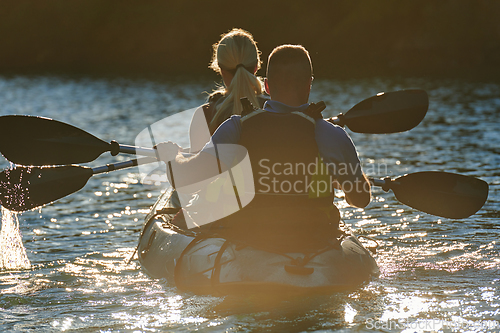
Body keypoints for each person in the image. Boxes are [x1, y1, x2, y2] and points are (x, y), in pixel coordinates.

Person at [158, 44, 371, 252]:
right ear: (309, 84)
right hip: (314, 242)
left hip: (251, 244)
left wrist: (173, 156)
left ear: (267, 86)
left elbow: (186, 180)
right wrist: (338, 175)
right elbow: (361, 199)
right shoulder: (332, 135)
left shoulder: (236, 128)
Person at [189, 28, 269, 152]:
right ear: (256, 66)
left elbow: (195, 168)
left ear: (220, 69)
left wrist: (174, 156)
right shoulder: (274, 109)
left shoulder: (205, 115)